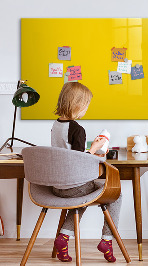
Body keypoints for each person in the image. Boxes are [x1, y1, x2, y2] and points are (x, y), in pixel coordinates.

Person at [51, 82, 122, 263]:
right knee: (116, 194)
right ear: (77, 105)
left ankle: (64, 238)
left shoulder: (56, 125)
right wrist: (96, 148)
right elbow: (79, 161)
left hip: (57, 186)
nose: (86, 110)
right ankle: (107, 240)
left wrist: (92, 150)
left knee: (81, 198)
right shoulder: (77, 129)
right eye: (86, 105)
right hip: (74, 186)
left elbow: (68, 154)